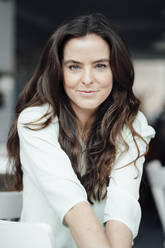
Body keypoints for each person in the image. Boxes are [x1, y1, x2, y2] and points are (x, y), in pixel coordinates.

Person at [7, 13, 155, 248]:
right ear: (59, 72)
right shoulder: (36, 120)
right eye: (74, 66)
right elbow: (73, 206)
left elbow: (122, 209)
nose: (87, 79)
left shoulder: (131, 123)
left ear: (115, 70)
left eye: (100, 66)